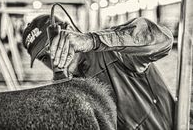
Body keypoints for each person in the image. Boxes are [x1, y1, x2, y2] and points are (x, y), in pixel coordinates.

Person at [22, 14, 175, 130]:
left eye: (53, 46)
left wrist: (92, 40)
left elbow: (163, 40)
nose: (53, 57)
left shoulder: (115, 52)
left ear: (69, 31)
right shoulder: (68, 88)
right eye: (43, 57)